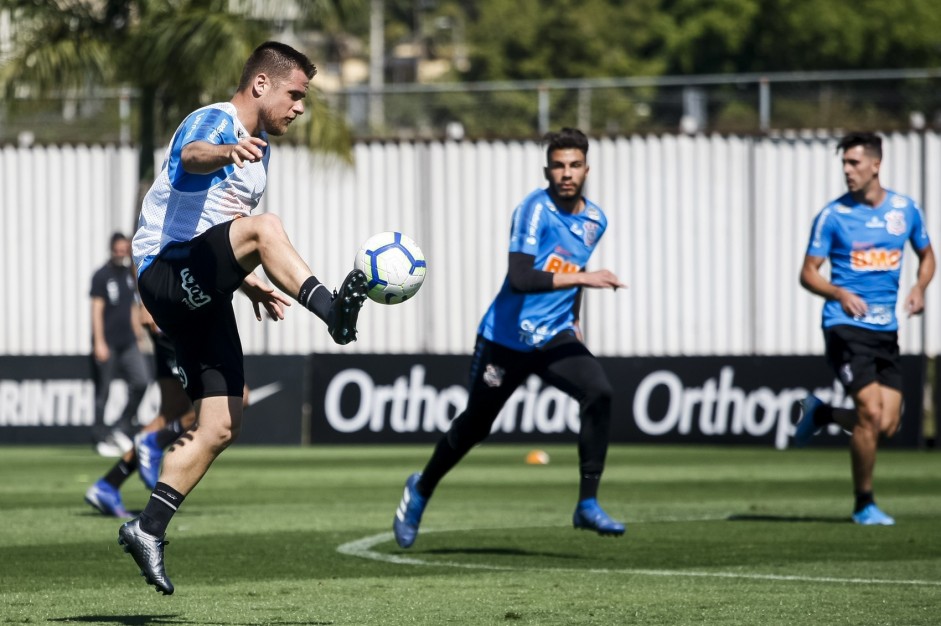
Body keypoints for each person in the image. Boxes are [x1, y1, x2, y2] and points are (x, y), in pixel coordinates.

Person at [118, 41, 368, 595]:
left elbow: (227, 230)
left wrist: (251, 282)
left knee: (222, 423)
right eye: (295, 94)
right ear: (261, 84)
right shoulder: (216, 123)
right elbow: (190, 158)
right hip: (164, 271)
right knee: (266, 226)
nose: (300, 107)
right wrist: (226, 153)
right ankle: (333, 309)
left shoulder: (261, 156)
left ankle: (148, 527)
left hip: (202, 290)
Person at [392, 128, 626, 549]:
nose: (566, 173)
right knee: (474, 427)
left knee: (600, 391)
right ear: (547, 170)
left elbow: (567, 272)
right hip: (505, 340)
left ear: (587, 169)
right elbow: (521, 278)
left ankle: (587, 503)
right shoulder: (533, 211)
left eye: (574, 165)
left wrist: (574, 319)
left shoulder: (596, 220)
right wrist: (586, 278)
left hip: (553, 338)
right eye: (558, 166)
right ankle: (421, 487)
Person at [795, 131, 935, 526]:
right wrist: (838, 292)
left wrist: (919, 287)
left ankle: (822, 415)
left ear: (876, 164)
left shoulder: (905, 211)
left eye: (854, 163)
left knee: (887, 423)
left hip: (885, 330)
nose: (847, 170)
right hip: (844, 326)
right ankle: (863, 504)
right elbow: (807, 274)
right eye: (843, 163)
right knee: (871, 412)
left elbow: (927, 256)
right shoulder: (833, 215)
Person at [85, 306, 251, 517]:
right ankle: (153, 442)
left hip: (187, 315)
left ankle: (108, 485)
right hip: (180, 315)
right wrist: (145, 304)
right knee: (237, 396)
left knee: (171, 413)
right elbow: (141, 270)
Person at [90, 232, 152, 456]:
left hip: (128, 342)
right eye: (117, 249)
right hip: (108, 342)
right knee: (103, 392)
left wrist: (138, 335)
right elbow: (96, 310)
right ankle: (99, 438)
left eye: (124, 249)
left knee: (142, 381)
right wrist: (99, 342)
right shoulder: (101, 276)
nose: (121, 253)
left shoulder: (129, 274)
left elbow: (133, 307)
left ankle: (120, 427)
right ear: (111, 249)